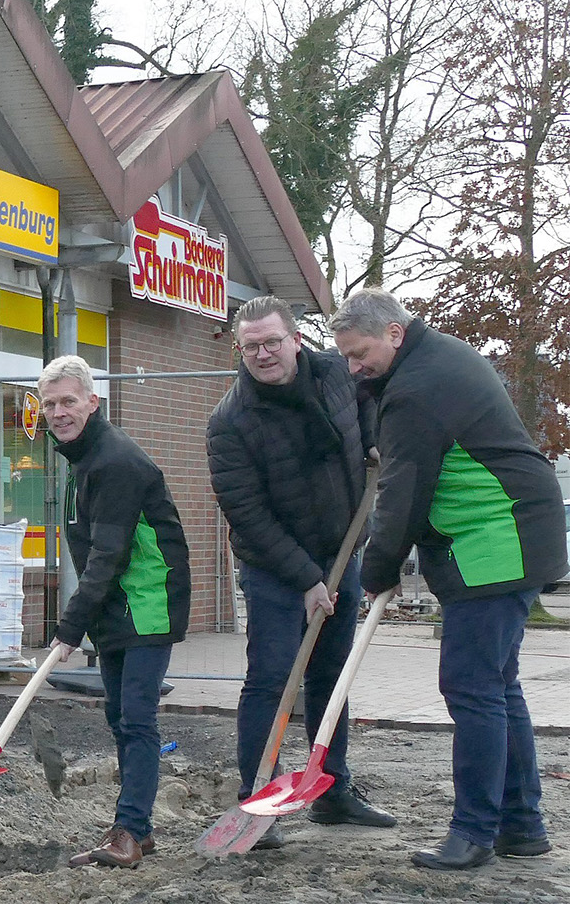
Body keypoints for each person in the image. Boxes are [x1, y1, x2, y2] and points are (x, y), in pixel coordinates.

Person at [332, 288, 566, 871]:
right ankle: (522, 827)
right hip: (509, 533)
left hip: (497, 540)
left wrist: (379, 570)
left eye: (361, 353)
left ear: (394, 332)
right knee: (497, 686)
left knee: (471, 688)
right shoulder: (431, 360)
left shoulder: (417, 388)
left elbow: (403, 495)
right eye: (346, 357)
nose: (354, 366)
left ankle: (474, 833)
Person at [206, 297, 394, 846]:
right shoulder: (230, 422)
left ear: (295, 339)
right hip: (274, 568)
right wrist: (308, 581)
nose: (263, 354)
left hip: (341, 550)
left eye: (272, 342)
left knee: (330, 675)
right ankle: (256, 800)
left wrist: (375, 436)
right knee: (271, 677)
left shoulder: (337, 372)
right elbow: (249, 516)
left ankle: (332, 791)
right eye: (251, 346)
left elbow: (368, 405)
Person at [42, 354, 191, 870]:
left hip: (147, 601)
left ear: (92, 402)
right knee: (117, 716)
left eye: (68, 400)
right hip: (114, 603)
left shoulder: (116, 462)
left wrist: (69, 626)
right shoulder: (80, 459)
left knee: (137, 718)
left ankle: (128, 831)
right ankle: (138, 831)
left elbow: (109, 555)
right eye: (49, 403)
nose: (58, 412)